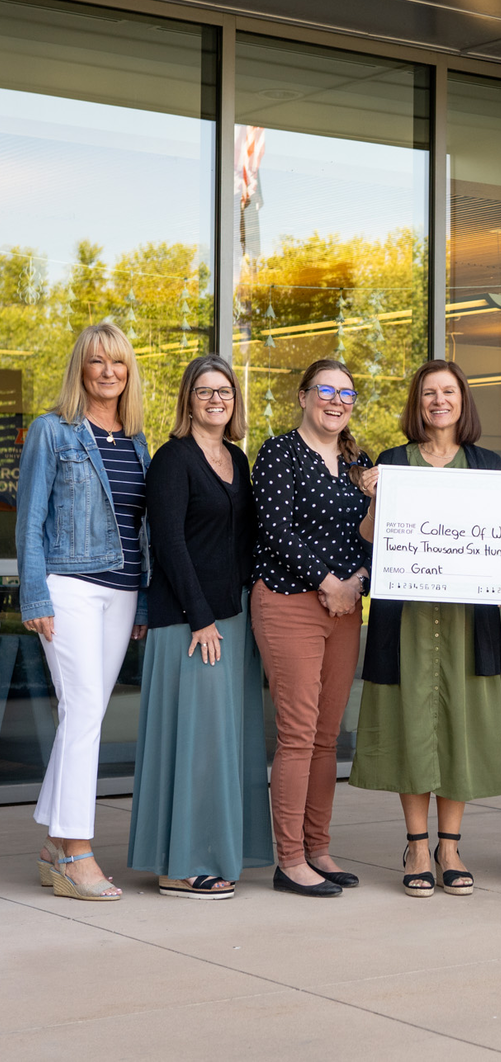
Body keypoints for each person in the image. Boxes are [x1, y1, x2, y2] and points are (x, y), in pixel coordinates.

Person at [351, 360, 501, 897]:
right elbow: (370, 538)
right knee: (411, 726)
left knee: (459, 725)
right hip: (408, 618)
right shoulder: (393, 462)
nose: (439, 401)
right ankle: (417, 844)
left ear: (463, 401)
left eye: (448, 392)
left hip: (469, 619)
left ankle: (451, 845)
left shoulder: (490, 465)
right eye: (428, 393)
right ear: (417, 403)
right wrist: (374, 497)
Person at [127, 355, 273, 898]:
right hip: (192, 623)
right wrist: (201, 617)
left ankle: (216, 850)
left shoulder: (236, 456)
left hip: (232, 617)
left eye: (225, 391)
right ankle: (180, 864)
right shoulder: (173, 459)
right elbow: (168, 544)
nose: (217, 399)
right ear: (188, 398)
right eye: (205, 391)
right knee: (195, 744)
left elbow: (242, 541)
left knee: (225, 743)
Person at [16, 321, 150, 902]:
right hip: (68, 584)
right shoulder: (53, 431)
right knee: (89, 708)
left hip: (120, 591)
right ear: (81, 368)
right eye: (97, 361)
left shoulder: (139, 440)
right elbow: (30, 521)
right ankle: (76, 852)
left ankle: (53, 843)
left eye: (117, 362)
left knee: (81, 713)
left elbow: (141, 528)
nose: (108, 371)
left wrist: (143, 595)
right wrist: (35, 595)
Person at [250, 358, 372, 897]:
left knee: (327, 737)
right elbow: (274, 531)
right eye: (326, 390)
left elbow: (374, 537)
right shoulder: (279, 452)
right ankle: (290, 860)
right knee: (298, 735)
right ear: (304, 396)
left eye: (346, 394)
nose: (336, 401)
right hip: (289, 601)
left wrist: (357, 579)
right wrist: (329, 582)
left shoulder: (360, 462)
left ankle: (318, 848)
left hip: (346, 609)